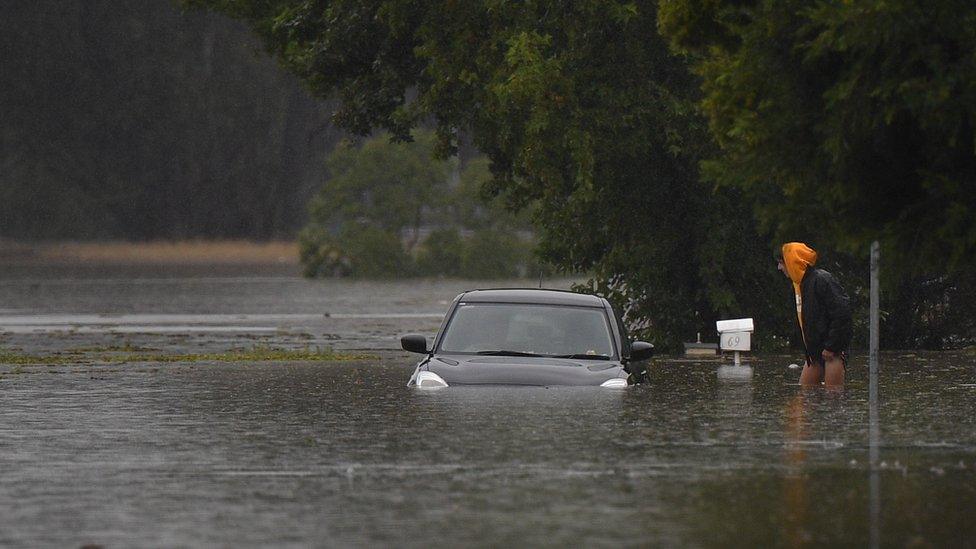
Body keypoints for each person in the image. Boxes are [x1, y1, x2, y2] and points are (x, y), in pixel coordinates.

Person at [777, 242, 852, 386]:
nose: (779, 268)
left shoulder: (822, 280)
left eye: (782, 263)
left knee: (833, 399)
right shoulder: (799, 286)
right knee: (805, 397)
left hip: (832, 353)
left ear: (793, 262)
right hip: (814, 353)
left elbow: (842, 314)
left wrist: (831, 347)